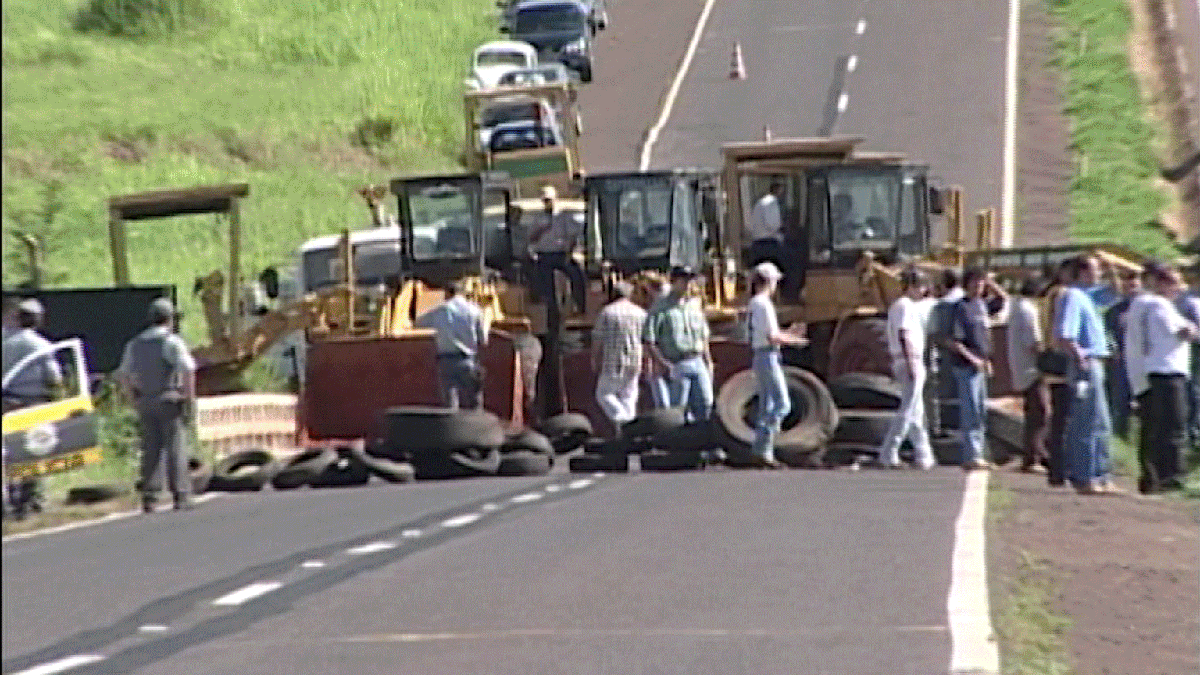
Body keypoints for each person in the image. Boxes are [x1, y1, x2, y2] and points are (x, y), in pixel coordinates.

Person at [117, 298, 196, 513]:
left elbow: (124, 374)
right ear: (170, 319)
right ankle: (181, 494)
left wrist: (133, 398)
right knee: (175, 447)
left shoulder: (134, 344)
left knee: (150, 449)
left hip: (146, 400)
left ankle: (150, 497)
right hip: (168, 398)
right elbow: (188, 369)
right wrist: (189, 398)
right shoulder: (171, 342)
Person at [1054, 254, 1117, 495]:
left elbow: (1115, 291)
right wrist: (1079, 356)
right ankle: (1084, 475)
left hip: (1097, 362)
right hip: (1086, 362)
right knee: (1086, 421)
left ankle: (1101, 474)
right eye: (1095, 270)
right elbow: (1065, 333)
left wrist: (1110, 267)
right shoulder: (1072, 296)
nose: (1098, 274)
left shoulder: (1089, 296)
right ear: (1082, 272)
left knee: (1101, 421)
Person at [1137, 264, 1199, 493]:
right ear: (1162, 284)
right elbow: (1186, 332)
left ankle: (1156, 475)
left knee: (1159, 425)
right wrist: (1191, 328)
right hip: (1168, 371)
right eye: (1174, 282)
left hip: (1159, 370)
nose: (1178, 287)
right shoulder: (1161, 306)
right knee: (1174, 425)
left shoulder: (1154, 306)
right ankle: (1170, 474)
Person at [1, 298, 63, 518]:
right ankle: (30, 501)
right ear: (38, 320)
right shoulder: (40, 345)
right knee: (35, 449)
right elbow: (53, 377)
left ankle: (10, 497)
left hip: (6, 402)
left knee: (7, 452)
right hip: (33, 403)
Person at [941, 267, 1007, 470]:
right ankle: (971, 455)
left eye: (982, 283)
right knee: (970, 411)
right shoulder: (960, 308)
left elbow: (1003, 299)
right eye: (975, 283)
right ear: (966, 284)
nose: (979, 287)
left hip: (982, 364)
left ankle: (978, 454)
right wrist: (972, 359)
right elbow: (954, 341)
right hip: (966, 365)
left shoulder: (981, 305)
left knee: (980, 411)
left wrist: (990, 282)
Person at [744, 262, 807, 469]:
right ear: (769, 282)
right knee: (782, 404)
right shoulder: (763, 305)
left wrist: (789, 334)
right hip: (768, 355)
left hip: (760, 354)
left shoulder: (754, 304)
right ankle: (763, 446)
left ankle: (763, 450)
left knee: (767, 405)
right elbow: (772, 336)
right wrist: (794, 340)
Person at [877, 268, 936, 470]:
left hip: (908, 359)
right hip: (909, 359)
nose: (923, 291)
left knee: (917, 411)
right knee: (908, 409)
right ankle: (889, 452)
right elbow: (904, 334)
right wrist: (912, 362)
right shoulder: (905, 306)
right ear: (910, 287)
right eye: (920, 286)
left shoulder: (901, 306)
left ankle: (923, 455)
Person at [644, 266, 713, 423]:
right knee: (678, 410)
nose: (688, 285)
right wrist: (663, 364)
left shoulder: (694, 306)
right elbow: (649, 340)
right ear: (673, 282)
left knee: (706, 403)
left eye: (690, 281)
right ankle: (680, 445)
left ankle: (704, 442)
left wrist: (708, 360)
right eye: (684, 281)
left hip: (697, 360)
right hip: (676, 363)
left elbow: (703, 336)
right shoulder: (660, 308)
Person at [414, 281, 489, 410]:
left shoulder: (441, 310)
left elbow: (418, 322)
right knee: (475, 403)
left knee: (450, 405)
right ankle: (477, 427)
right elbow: (483, 340)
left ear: (447, 293)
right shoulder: (475, 310)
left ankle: (453, 428)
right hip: (468, 361)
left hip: (446, 362)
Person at [592, 281, 647, 436]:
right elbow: (647, 339)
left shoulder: (607, 312)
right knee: (629, 396)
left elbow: (598, 339)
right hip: (635, 359)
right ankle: (630, 429)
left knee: (603, 394)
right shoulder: (640, 313)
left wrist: (595, 359)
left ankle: (622, 419)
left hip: (612, 360)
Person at [1007, 277, 1050, 472]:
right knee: (1039, 412)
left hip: (1020, 366)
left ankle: (1033, 454)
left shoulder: (1016, 308)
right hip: (1032, 368)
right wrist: (1048, 354)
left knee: (1033, 412)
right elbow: (1032, 342)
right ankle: (1033, 457)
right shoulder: (1028, 310)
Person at [527, 185, 587, 316]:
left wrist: (569, 252)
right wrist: (540, 230)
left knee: (577, 274)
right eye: (545, 200)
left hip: (560, 254)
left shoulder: (563, 217)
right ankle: (546, 305)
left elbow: (572, 236)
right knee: (540, 277)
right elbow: (531, 238)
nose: (547, 203)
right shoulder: (538, 219)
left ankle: (579, 304)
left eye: (549, 200)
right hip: (544, 255)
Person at [1103, 269, 1142, 439]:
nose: (1131, 289)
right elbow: (1107, 334)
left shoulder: (1148, 307)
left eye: (1134, 285)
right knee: (1120, 400)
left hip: (1144, 360)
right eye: (1128, 285)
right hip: (1122, 361)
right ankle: (1120, 435)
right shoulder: (1114, 311)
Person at [928, 268, 964, 439]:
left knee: (947, 393)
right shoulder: (970, 302)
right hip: (970, 356)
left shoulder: (942, 306)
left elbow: (936, 333)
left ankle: (949, 430)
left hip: (949, 354)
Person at [644, 276, 674, 408]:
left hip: (660, 358)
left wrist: (650, 363)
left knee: (662, 401)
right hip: (674, 355)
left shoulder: (655, 309)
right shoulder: (673, 303)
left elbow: (649, 340)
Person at [745, 181, 784, 267]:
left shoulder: (760, 203)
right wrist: (782, 227)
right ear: (778, 189)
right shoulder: (771, 202)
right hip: (768, 243)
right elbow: (772, 224)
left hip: (757, 243)